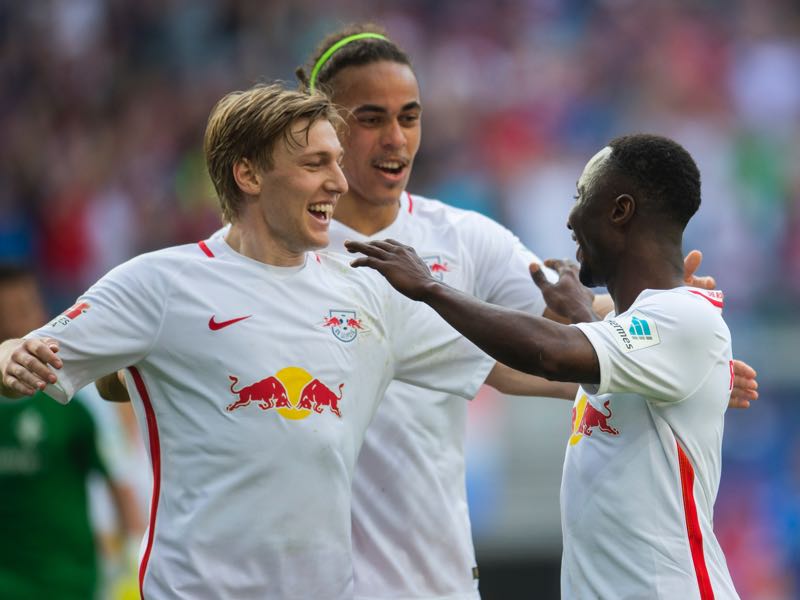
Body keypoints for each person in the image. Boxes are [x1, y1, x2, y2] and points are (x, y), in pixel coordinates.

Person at [104, 24, 756, 599]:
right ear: (322, 124)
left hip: (430, 577)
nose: (396, 138)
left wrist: (676, 335)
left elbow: (555, 330)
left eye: (410, 116)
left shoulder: (464, 240)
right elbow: (138, 361)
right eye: (370, 117)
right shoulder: (263, 254)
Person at [0, 83, 558, 599]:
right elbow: (28, 352)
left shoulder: (369, 294)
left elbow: (507, 365)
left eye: (337, 162)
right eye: (316, 163)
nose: (339, 182)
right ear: (248, 175)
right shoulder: (160, 285)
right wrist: (10, 356)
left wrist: (612, 364)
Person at [347, 133, 742, 598]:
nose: (570, 217)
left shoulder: (686, 318)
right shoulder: (637, 332)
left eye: (580, 195)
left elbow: (550, 354)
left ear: (620, 211)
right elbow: (588, 350)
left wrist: (429, 288)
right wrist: (580, 311)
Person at [0, 264, 140, 600]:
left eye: (26, 307)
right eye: (6, 312)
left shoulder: (76, 401)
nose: (19, 322)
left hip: (68, 582)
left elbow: (118, 481)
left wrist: (133, 553)